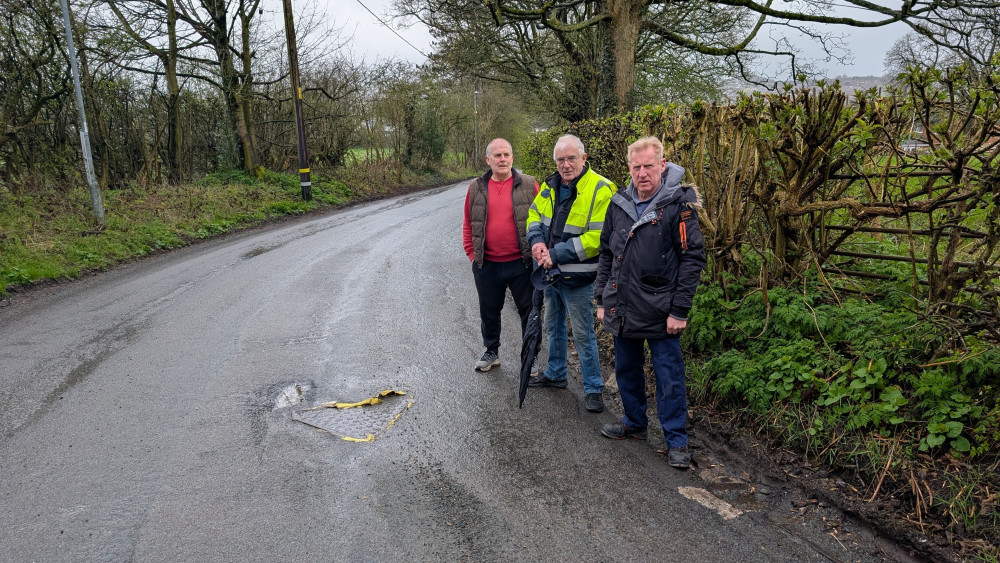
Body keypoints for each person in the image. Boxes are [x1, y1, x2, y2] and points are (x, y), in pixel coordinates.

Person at [595, 136, 706, 469]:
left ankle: (676, 441)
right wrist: (601, 297)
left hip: (662, 309)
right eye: (636, 167)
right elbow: (606, 253)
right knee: (627, 369)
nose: (642, 173)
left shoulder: (678, 205)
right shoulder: (619, 204)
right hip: (623, 304)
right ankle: (634, 422)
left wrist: (679, 310)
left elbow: (692, 258)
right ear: (629, 167)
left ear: (662, 165)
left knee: (668, 376)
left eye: (648, 166)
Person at [526, 134, 616, 413]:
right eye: (561, 159)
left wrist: (556, 254)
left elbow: (598, 237)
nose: (566, 165)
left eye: (571, 158)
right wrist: (537, 242)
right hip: (549, 273)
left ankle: (593, 388)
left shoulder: (601, 188)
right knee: (552, 324)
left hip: (579, 277)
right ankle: (555, 373)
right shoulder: (550, 186)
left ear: (584, 158)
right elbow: (533, 216)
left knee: (583, 333)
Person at [463, 138, 539, 372]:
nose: (502, 159)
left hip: (522, 262)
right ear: (488, 160)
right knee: (489, 311)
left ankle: (530, 356)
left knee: (529, 312)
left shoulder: (529, 184)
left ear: (512, 158)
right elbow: (468, 223)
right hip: (487, 264)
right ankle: (491, 351)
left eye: (506, 154)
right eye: (497, 155)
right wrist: (472, 255)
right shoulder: (475, 187)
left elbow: (543, 220)